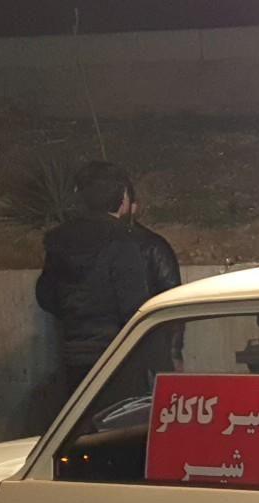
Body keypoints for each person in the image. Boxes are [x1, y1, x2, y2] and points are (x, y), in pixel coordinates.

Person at [35, 161, 180, 400]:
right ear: (122, 199)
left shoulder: (60, 240)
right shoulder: (124, 241)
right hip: (117, 359)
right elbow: (133, 307)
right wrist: (163, 364)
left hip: (74, 357)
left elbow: (46, 296)